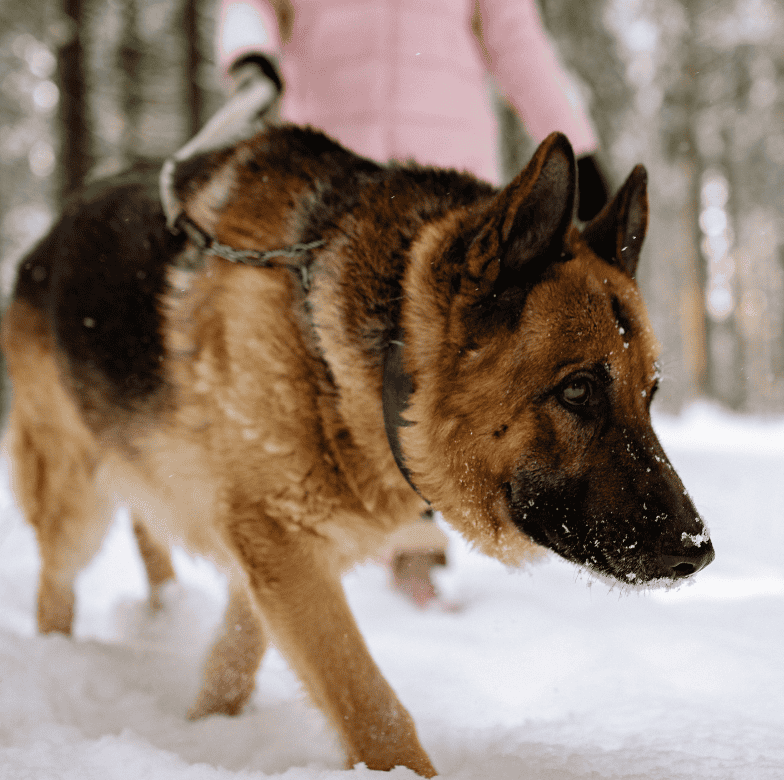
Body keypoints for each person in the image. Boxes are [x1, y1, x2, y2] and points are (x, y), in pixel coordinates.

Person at [215, 0, 610, 607]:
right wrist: (249, 54)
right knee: (318, 357)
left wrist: (574, 143)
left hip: (446, 171)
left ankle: (414, 545)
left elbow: (515, 42)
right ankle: (312, 523)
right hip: (334, 166)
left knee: (431, 359)